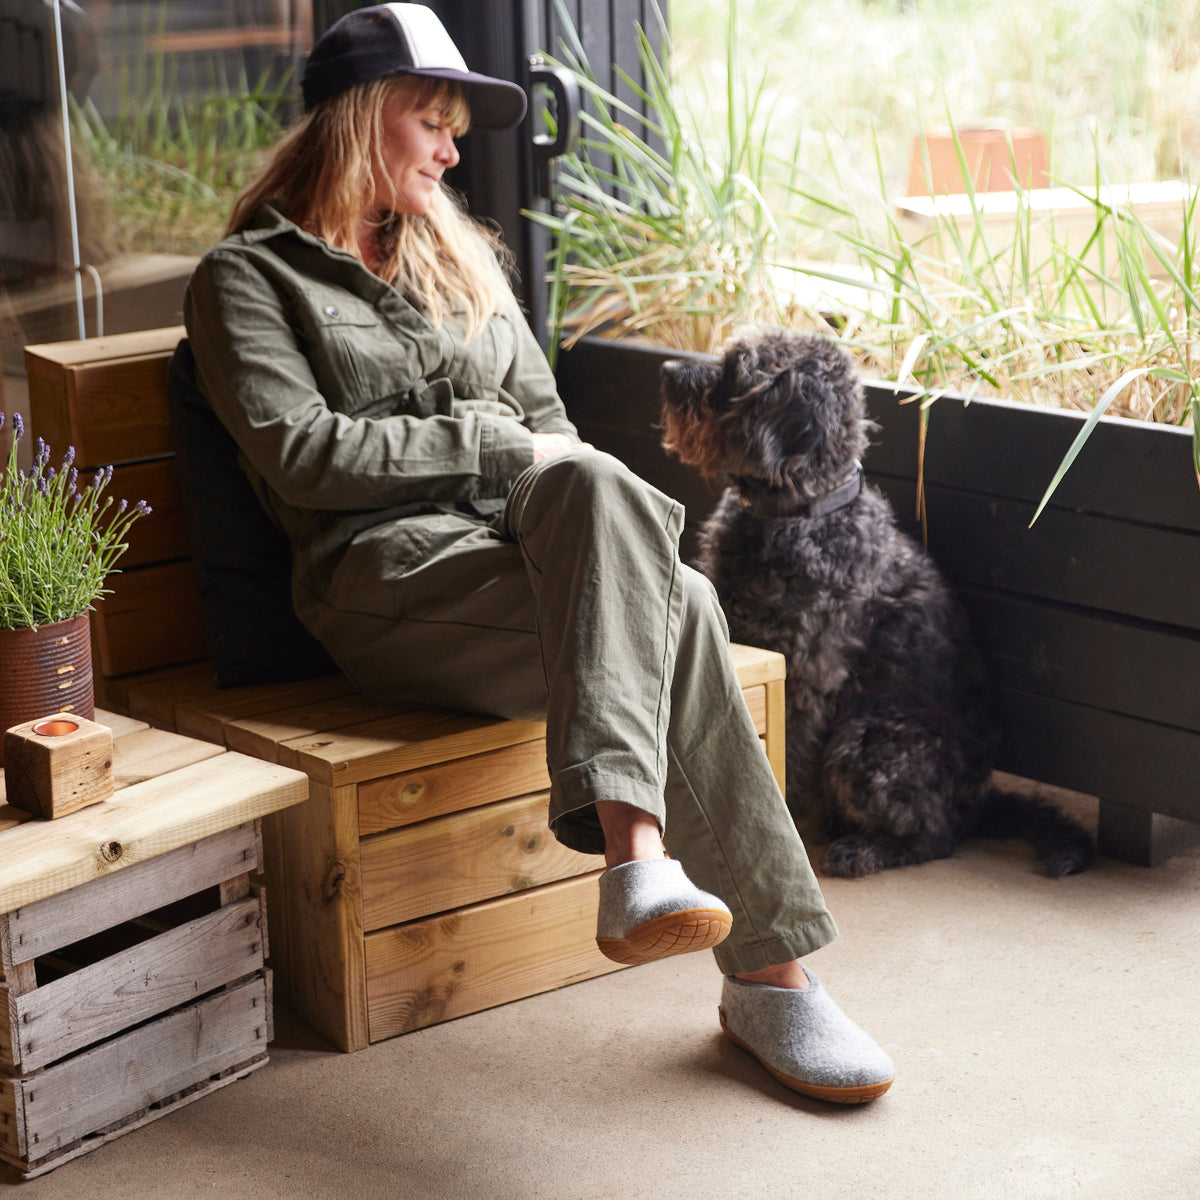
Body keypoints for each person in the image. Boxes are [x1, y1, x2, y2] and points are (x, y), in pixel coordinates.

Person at [183, 2, 894, 1104]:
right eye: (433, 124)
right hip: (384, 583)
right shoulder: (248, 279)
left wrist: (529, 461)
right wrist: (489, 443)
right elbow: (303, 455)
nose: (452, 152)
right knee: (682, 603)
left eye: (456, 131)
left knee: (624, 527)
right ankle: (764, 973)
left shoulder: (462, 258)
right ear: (361, 118)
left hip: (521, 556)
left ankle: (650, 875)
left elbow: (554, 434)